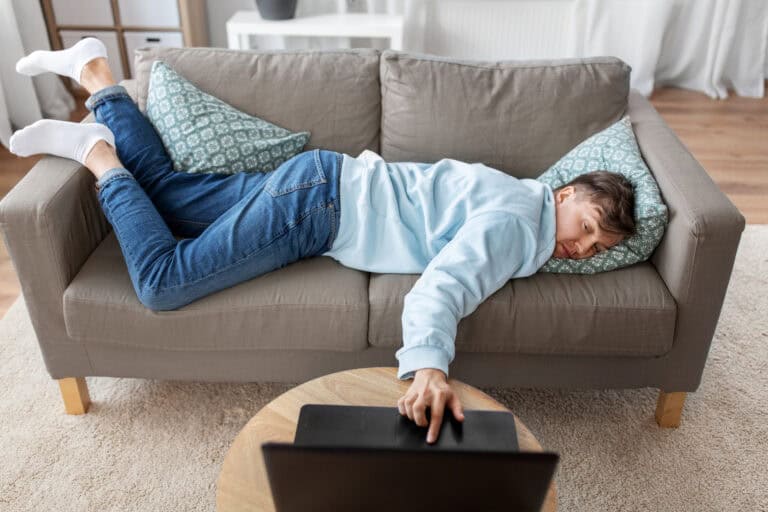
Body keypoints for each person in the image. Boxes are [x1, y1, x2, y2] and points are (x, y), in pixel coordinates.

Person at [9, 39, 635, 444]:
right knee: (163, 282)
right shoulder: (519, 225)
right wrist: (430, 367)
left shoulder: (515, 196)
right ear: (563, 192)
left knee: (170, 198)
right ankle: (99, 157)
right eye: (585, 226)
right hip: (319, 208)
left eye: (596, 249)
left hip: (322, 182)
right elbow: (445, 284)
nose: (580, 249)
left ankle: (97, 77)